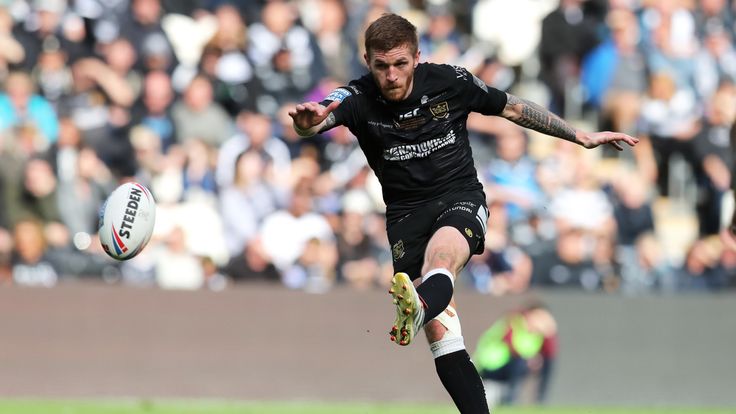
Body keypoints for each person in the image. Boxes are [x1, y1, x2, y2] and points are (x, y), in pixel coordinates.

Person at [289, 13, 638, 413]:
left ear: (417, 57)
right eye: (381, 66)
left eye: (400, 64)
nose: (391, 75)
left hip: (459, 197)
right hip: (405, 216)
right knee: (442, 334)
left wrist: (579, 135)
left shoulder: (450, 81)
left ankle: (420, 302)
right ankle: (427, 313)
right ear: (367, 61)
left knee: (442, 259)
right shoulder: (355, 96)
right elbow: (320, 115)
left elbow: (514, 108)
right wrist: (306, 126)